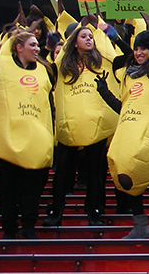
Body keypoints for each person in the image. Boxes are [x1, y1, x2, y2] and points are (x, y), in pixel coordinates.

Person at [96, 30, 149, 239]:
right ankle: (140, 226)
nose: (138, 52)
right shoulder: (128, 75)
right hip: (132, 132)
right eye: (136, 48)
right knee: (127, 169)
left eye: (143, 48)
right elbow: (124, 107)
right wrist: (104, 92)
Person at [0, 29, 55, 239]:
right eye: (32, 45)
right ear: (19, 48)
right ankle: (9, 229)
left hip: (36, 140)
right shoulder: (2, 69)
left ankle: (28, 226)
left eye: (37, 45)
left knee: (33, 189)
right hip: (9, 141)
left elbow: (50, 106)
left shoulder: (43, 71)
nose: (37, 48)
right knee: (9, 188)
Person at [43, 24, 119, 227]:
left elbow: (119, 53)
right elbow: (50, 54)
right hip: (70, 125)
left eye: (90, 36)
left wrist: (106, 30)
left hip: (96, 125)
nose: (88, 39)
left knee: (95, 173)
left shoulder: (102, 62)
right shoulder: (63, 65)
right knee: (62, 173)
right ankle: (55, 211)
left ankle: (94, 213)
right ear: (73, 41)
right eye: (83, 36)